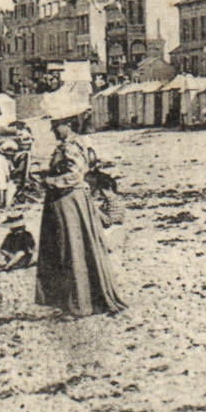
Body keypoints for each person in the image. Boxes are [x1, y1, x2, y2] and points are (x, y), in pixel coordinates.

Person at [35, 118, 126, 317]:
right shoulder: (72, 144)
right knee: (67, 248)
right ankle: (73, 301)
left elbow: (74, 176)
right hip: (65, 199)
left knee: (71, 249)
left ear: (67, 125)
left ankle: (78, 304)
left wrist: (49, 181)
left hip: (68, 200)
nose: (54, 131)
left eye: (56, 127)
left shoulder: (73, 146)